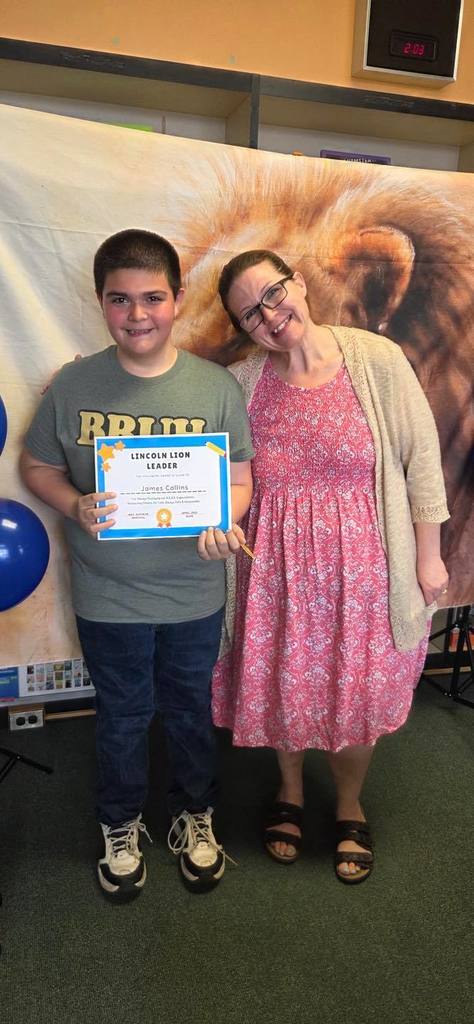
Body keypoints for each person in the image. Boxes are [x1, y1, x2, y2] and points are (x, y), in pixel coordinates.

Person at [20, 229, 254, 900]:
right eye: (120, 300)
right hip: (109, 597)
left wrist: (226, 518)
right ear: (100, 302)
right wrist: (74, 503)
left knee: (187, 710)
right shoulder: (73, 385)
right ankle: (119, 823)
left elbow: (240, 477)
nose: (138, 314)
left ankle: (194, 814)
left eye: (153, 297)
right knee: (122, 714)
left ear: (177, 299)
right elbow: (36, 466)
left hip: (193, 593)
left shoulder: (213, 388)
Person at [210, 249, 449, 884]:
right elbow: (210, 460)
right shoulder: (241, 383)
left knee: (357, 688)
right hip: (275, 574)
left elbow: (420, 457)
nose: (269, 315)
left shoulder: (376, 360)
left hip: (366, 568)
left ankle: (347, 801)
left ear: (298, 285)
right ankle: (289, 790)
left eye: (272, 294)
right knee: (286, 683)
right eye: (249, 315)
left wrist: (429, 554)